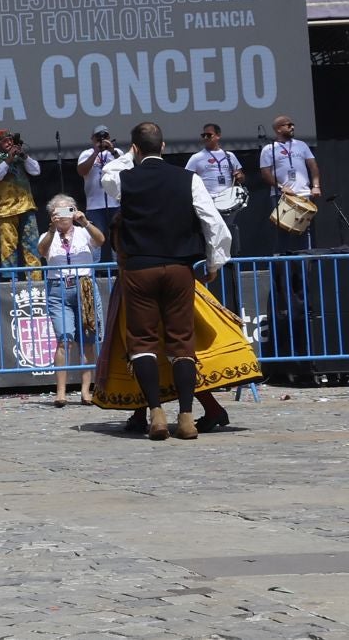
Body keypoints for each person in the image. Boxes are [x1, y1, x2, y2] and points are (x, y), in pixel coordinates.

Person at [98, 121, 231, 440]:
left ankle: (156, 413)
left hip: (140, 268)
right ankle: (186, 417)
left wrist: (129, 156)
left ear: (135, 149)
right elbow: (213, 222)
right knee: (181, 341)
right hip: (178, 268)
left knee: (142, 342)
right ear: (165, 146)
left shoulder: (123, 177)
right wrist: (214, 262)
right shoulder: (189, 179)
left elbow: (107, 176)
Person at [36, 195, 103, 407]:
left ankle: (86, 391)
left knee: (88, 340)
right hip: (58, 288)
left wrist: (85, 221)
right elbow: (42, 251)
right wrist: (52, 229)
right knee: (64, 339)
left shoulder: (84, 232)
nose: (64, 216)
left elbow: (100, 240)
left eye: (68, 211)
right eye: (58, 212)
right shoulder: (47, 235)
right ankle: (61, 392)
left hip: (85, 286)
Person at [0, 130, 43, 278]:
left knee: (32, 244)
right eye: (5, 141)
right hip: (6, 209)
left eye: (10, 140)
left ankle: (36, 279)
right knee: (8, 246)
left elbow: (36, 171)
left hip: (26, 206)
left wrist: (24, 156)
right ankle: (11, 281)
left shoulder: (20, 158)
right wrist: (9, 159)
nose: (9, 143)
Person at [260, 115, 321, 254]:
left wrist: (316, 185)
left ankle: (304, 272)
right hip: (281, 196)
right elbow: (265, 173)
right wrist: (281, 187)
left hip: (304, 193)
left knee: (303, 233)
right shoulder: (269, 149)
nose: (292, 127)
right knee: (282, 234)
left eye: (292, 124)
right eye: (288, 125)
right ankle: (282, 272)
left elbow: (313, 166)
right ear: (278, 129)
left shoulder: (301, 145)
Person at [76, 126, 122, 263]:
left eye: (105, 137)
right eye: (98, 137)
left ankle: (119, 270)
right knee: (95, 239)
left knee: (117, 237)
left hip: (115, 203)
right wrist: (96, 152)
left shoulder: (116, 152)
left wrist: (112, 150)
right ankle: (94, 271)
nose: (102, 140)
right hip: (94, 206)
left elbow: (127, 167)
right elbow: (82, 171)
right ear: (92, 139)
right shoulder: (87, 153)